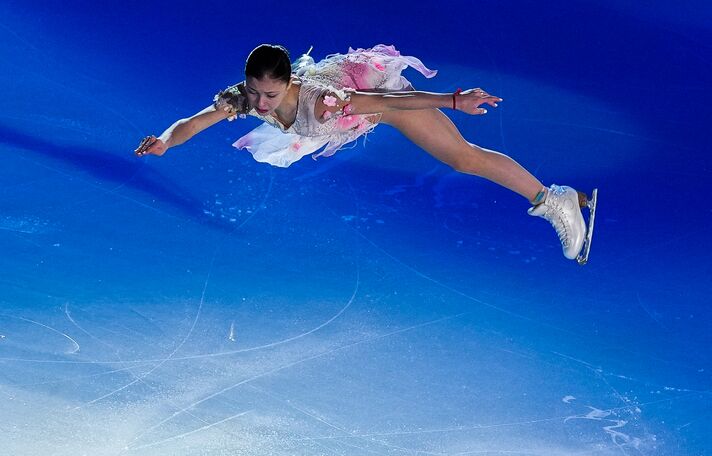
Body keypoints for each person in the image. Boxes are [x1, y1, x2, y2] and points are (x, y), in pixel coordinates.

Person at [135, 43, 597, 262]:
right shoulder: (243, 97)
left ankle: (555, 198)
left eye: (270, 97)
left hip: (377, 101)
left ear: (289, 84)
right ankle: (564, 199)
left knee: (463, 157)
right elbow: (194, 121)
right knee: (461, 157)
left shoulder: (320, 100)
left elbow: (387, 104)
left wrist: (452, 100)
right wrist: (165, 141)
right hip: (354, 112)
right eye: (255, 93)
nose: (259, 105)